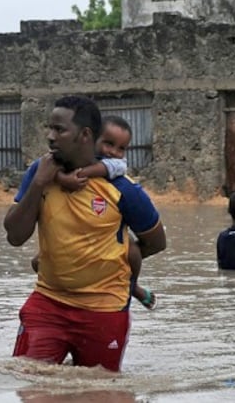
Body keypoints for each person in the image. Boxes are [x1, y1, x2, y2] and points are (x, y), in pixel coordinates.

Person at [4, 96, 167, 372]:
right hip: (48, 303)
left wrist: (113, 258)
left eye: (59, 130)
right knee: (28, 383)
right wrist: (40, 183)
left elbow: (156, 241)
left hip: (104, 310)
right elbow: (15, 236)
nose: (50, 136)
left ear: (85, 135)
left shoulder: (122, 188)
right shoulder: (40, 173)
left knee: (99, 393)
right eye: (50, 128)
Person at [30, 115, 156, 310]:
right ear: (90, 138)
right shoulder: (66, 156)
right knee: (38, 262)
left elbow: (105, 167)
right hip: (66, 240)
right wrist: (63, 179)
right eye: (108, 143)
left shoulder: (117, 168)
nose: (113, 152)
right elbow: (47, 166)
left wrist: (79, 176)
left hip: (102, 241)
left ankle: (133, 285)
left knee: (131, 249)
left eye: (121, 148)